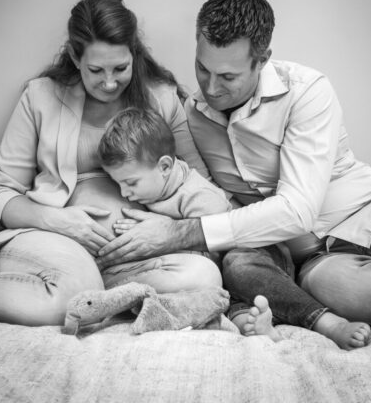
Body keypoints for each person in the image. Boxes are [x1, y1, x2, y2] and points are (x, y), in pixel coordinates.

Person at [97, 0, 371, 350]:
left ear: (262, 60)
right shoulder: (194, 115)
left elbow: (298, 210)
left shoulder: (307, 91)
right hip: (313, 259)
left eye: (228, 77)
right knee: (339, 288)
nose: (211, 87)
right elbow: (190, 187)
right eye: (202, 68)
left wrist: (179, 232)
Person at [0, 0, 222, 327]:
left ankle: (104, 299)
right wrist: (56, 220)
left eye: (120, 68)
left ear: (134, 54)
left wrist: (168, 230)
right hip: (54, 242)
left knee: (205, 276)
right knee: (75, 290)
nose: (109, 82)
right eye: (95, 71)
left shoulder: (161, 98)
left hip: (130, 261)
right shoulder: (41, 97)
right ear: (75, 58)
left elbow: (198, 183)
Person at [98, 106, 282, 342]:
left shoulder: (200, 198)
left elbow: (214, 256)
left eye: (131, 183)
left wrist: (166, 230)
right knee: (230, 311)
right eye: (118, 183)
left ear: (165, 167)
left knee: (231, 298)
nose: (124, 192)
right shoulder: (150, 187)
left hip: (234, 267)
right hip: (195, 278)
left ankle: (258, 325)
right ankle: (250, 326)